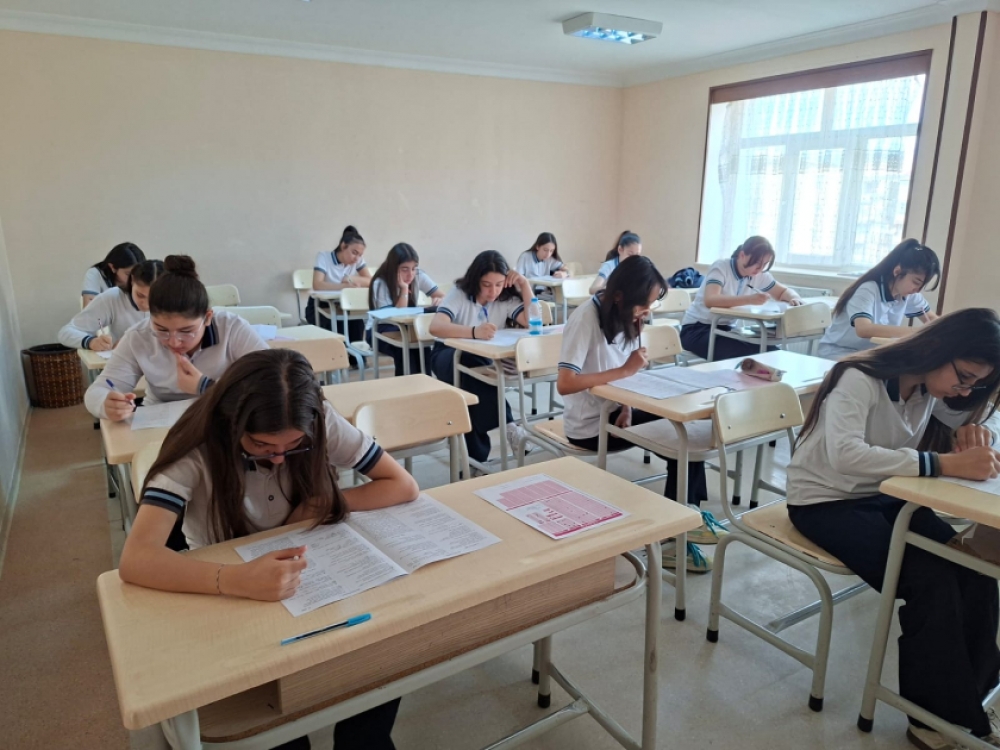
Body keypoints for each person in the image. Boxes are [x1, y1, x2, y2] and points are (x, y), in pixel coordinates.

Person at [119, 348, 418, 750]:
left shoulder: (318, 420)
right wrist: (234, 579)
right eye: (261, 446)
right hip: (231, 582)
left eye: (293, 446)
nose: (278, 459)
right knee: (276, 719)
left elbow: (402, 485)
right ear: (231, 423)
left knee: (378, 660)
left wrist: (326, 504)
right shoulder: (196, 448)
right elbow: (137, 558)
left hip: (314, 569)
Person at [786, 308, 1000, 750]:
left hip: (885, 495)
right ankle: (930, 718)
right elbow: (846, 455)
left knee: (974, 568)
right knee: (931, 581)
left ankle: (973, 699)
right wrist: (944, 463)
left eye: (974, 384)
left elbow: (982, 418)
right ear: (938, 348)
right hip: (825, 502)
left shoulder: (929, 386)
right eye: (964, 378)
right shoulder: (859, 377)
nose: (964, 391)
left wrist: (980, 432)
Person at [557, 255, 718, 572]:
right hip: (590, 426)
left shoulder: (628, 317)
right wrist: (624, 371)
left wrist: (628, 405)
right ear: (620, 296)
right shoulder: (585, 319)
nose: (648, 311)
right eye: (644, 304)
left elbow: (627, 376)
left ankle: (687, 516)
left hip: (618, 410)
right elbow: (566, 383)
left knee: (688, 426)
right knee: (681, 435)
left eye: (652, 304)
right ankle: (673, 537)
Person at [84, 255, 267, 421]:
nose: (173, 341)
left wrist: (206, 387)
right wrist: (106, 404)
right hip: (159, 420)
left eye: (186, 331)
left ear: (207, 317)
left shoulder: (231, 328)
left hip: (220, 416)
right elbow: (98, 390)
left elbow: (271, 382)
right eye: (161, 329)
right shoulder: (138, 336)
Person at [428, 250, 533, 467]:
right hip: (447, 355)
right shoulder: (460, 293)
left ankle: (474, 463)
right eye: (486, 285)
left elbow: (533, 322)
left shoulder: (505, 297)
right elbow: (436, 327)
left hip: (482, 360)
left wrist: (524, 285)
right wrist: (474, 332)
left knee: (471, 396)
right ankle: (509, 425)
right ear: (476, 280)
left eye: (499, 284)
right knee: (471, 364)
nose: (493, 291)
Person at [680, 236, 802, 361]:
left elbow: (783, 292)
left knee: (772, 352)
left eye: (765, 264)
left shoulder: (759, 275)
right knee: (747, 354)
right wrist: (749, 299)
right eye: (757, 262)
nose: (760, 268)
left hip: (727, 330)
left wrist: (794, 298)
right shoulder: (721, 267)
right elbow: (710, 300)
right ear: (742, 255)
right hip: (696, 329)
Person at [817, 238, 940, 360]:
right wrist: (916, 332)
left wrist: (940, 329)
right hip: (840, 352)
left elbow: (931, 319)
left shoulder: (909, 295)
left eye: (922, 285)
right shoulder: (868, 289)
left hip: (871, 354)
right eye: (916, 282)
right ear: (897, 271)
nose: (917, 290)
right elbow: (863, 329)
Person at [367, 243, 444, 377]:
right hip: (379, 329)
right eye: (404, 269)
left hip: (408, 328)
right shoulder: (380, 282)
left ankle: (424, 383)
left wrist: (439, 299)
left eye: (413, 268)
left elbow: (442, 295)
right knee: (403, 348)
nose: (410, 274)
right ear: (393, 268)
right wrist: (404, 289)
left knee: (423, 344)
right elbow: (397, 315)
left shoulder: (418, 275)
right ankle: (406, 386)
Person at [60, 260, 164, 351]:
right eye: (140, 295)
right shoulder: (113, 297)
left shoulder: (172, 302)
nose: (146, 304)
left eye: (154, 298)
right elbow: (66, 333)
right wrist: (91, 342)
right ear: (132, 280)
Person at [308, 226, 371, 354]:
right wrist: (343, 286)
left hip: (345, 305)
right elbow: (317, 284)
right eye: (354, 253)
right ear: (343, 246)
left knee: (357, 322)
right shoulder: (324, 257)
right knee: (337, 326)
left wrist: (351, 278)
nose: (357, 258)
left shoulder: (357, 260)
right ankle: (337, 358)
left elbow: (371, 281)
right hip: (321, 305)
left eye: (360, 255)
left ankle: (355, 358)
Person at [81, 242, 146, 307]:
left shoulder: (140, 281)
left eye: (138, 274)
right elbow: (89, 309)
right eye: (128, 274)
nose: (134, 279)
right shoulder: (95, 274)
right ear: (113, 267)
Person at [516, 232, 567, 300]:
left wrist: (564, 273)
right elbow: (518, 278)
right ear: (537, 247)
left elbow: (565, 268)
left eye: (551, 251)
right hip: (529, 292)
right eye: (545, 250)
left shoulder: (550, 259)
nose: (548, 254)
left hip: (544, 292)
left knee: (561, 298)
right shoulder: (525, 256)